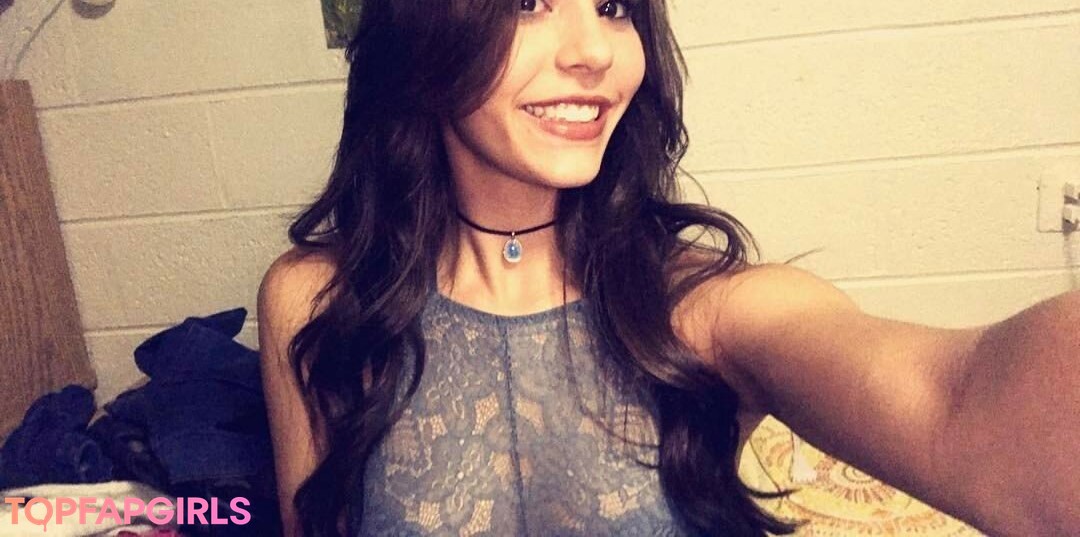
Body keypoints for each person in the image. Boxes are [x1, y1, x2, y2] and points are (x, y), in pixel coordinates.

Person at [257, 0, 1080, 535]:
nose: (594, 51)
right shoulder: (310, 300)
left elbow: (954, 400)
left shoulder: (704, 309)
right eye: (528, 1)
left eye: (614, 6)